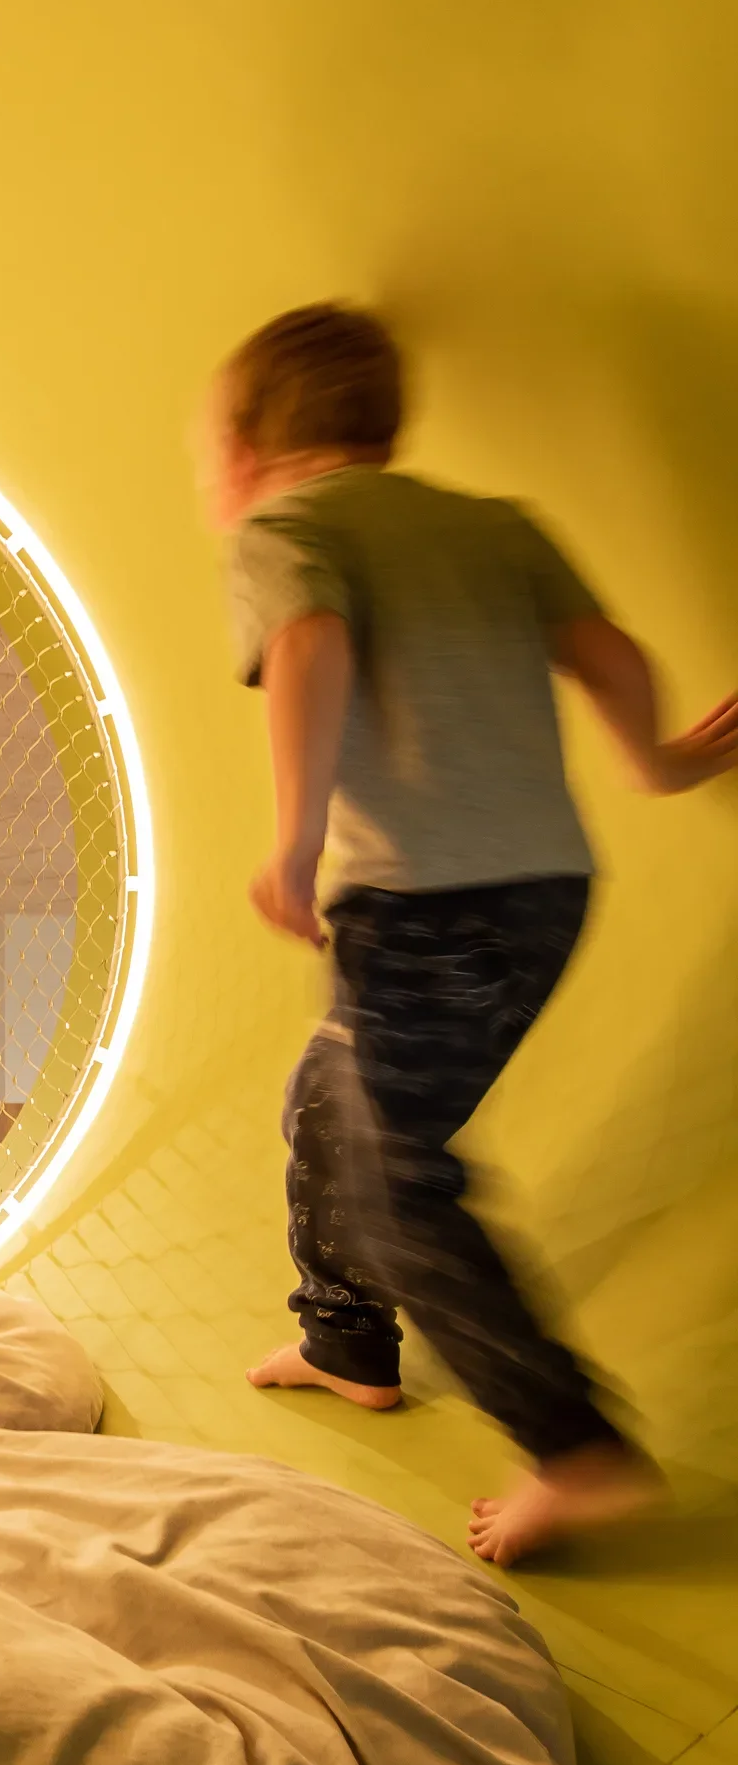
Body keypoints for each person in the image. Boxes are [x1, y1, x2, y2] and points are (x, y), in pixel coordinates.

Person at [208, 301, 738, 1564]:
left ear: (246, 446)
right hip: (547, 891)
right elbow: (604, 652)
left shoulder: (287, 528)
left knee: (402, 1182)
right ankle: (347, 1340)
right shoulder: (496, 530)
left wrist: (292, 837)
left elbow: (312, 643)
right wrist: (657, 763)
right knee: (331, 1099)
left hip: (418, 905)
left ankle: (576, 1445)